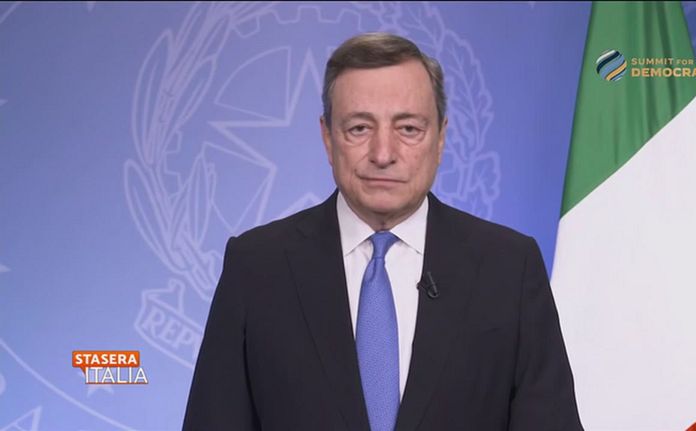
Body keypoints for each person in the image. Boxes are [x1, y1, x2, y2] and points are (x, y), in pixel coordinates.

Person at [183, 32, 582, 431]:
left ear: (441, 138)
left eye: (408, 129)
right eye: (359, 128)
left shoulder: (508, 267)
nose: (383, 154)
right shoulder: (256, 267)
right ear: (327, 137)